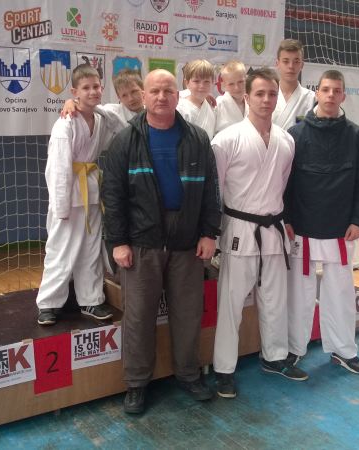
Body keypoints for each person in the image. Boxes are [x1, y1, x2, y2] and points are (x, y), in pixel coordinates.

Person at [101, 69, 222, 414]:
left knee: (188, 313)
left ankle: (188, 374)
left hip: (187, 241)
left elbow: (211, 190)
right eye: (154, 91)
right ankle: (137, 383)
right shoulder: (125, 141)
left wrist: (209, 233)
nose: (161, 97)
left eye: (168, 90)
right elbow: (113, 196)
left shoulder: (197, 138)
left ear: (177, 95)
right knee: (139, 317)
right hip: (142, 242)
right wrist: (118, 242)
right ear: (144, 95)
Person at [211, 67, 305, 400]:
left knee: (275, 301)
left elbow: (283, 185)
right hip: (239, 230)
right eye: (260, 94)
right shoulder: (225, 140)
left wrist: (286, 220)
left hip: (274, 231)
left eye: (272, 94)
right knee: (231, 304)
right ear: (246, 96)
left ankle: (275, 357)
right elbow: (214, 190)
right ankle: (224, 369)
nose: (266, 100)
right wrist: (212, 234)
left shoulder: (286, 140)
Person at [284, 69, 359, 375]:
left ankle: (343, 349)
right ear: (317, 93)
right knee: (299, 294)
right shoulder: (296, 135)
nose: (331, 95)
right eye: (326, 89)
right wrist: (287, 219)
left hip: (341, 229)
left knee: (341, 293)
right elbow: (286, 183)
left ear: (343, 96)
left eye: (336, 90)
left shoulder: (355, 136)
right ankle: (294, 348)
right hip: (303, 228)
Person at [36, 64, 116, 326]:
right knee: (61, 250)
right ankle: (48, 303)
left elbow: (120, 122)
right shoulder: (65, 124)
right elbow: (58, 168)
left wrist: (87, 106)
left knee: (91, 251)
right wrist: (60, 207)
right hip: (69, 196)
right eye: (86, 88)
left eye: (96, 86)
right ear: (74, 91)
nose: (93, 92)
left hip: (91, 192)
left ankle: (91, 299)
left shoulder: (101, 119)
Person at [272, 39, 314, 130]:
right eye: (286, 61)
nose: (291, 66)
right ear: (277, 64)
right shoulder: (267, 96)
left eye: (296, 62)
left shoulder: (312, 98)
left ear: (302, 65)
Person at [176, 59, 217, 139]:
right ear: (187, 83)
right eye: (196, 81)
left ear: (213, 82)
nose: (202, 86)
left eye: (206, 82)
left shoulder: (212, 108)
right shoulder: (180, 108)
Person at [214, 60, 247, 133]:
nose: (237, 88)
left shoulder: (252, 103)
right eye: (231, 84)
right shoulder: (218, 104)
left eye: (240, 82)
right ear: (224, 85)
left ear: (246, 80)